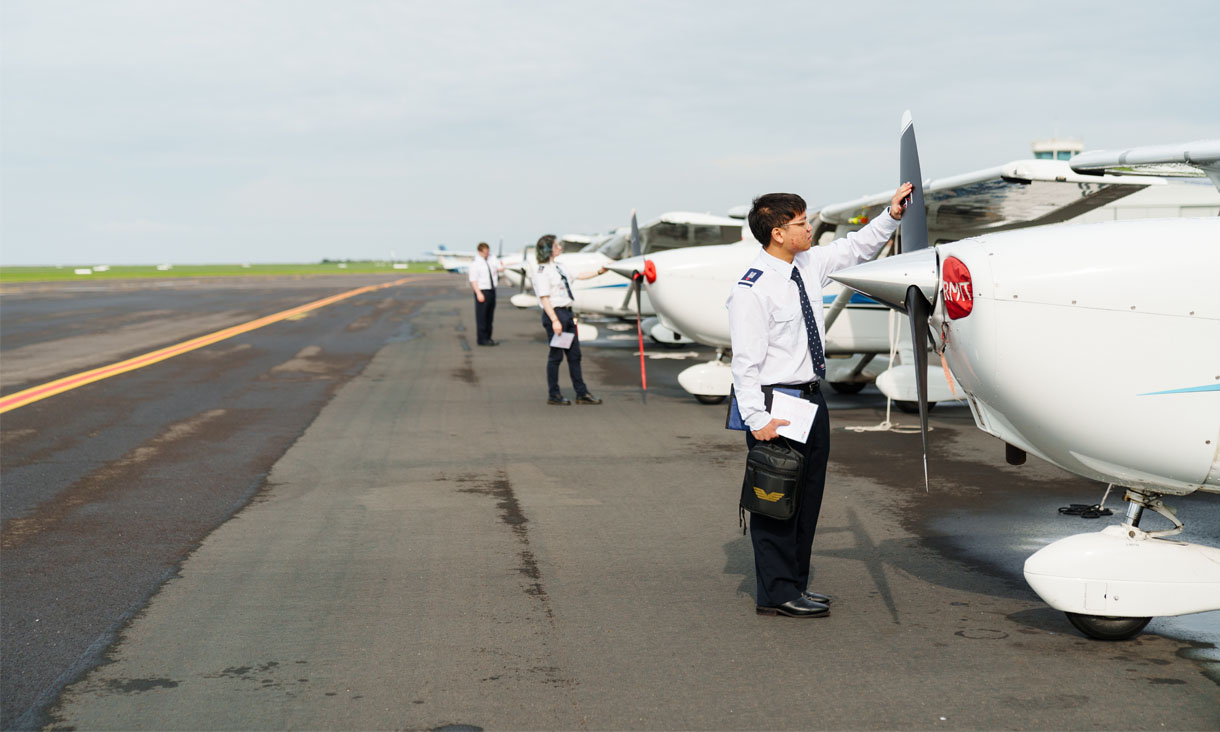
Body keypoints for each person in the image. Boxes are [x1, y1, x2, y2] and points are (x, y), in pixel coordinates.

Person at [728, 182, 914, 618]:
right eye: (800, 223)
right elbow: (745, 364)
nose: (809, 229)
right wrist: (757, 419)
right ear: (776, 232)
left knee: (807, 498)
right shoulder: (752, 289)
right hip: (776, 403)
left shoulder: (806, 264)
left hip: (811, 399)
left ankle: (794, 584)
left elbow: (855, 248)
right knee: (776, 499)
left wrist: (892, 215)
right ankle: (775, 593)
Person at [533, 234, 606, 406]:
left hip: (567, 313)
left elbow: (579, 275)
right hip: (556, 314)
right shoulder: (542, 271)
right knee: (556, 356)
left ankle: (581, 393)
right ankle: (554, 394)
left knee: (575, 355)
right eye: (556, 246)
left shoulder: (560, 267)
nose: (559, 248)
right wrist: (554, 320)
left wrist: (599, 272)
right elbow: (544, 298)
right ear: (548, 249)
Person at [469, 242, 505, 346]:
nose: (487, 254)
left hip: (491, 290)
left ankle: (488, 338)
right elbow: (473, 280)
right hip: (482, 291)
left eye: (488, 252)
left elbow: (497, 268)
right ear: (480, 251)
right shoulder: (475, 264)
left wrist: (503, 266)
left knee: (490, 316)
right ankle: (481, 339)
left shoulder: (491, 260)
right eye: (485, 252)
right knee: (482, 317)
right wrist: (478, 293)